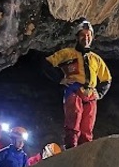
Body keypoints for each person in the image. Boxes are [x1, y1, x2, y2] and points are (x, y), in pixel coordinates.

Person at [44, 19, 112, 149]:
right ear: (77, 37)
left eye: (88, 35)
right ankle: (71, 149)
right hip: (74, 91)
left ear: (92, 37)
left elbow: (106, 78)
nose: (86, 38)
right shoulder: (67, 53)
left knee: (87, 127)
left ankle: (84, 152)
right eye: (83, 35)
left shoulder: (95, 59)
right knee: (73, 123)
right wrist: (60, 79)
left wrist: (100, 93)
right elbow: (46, 64)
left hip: (91, 94)